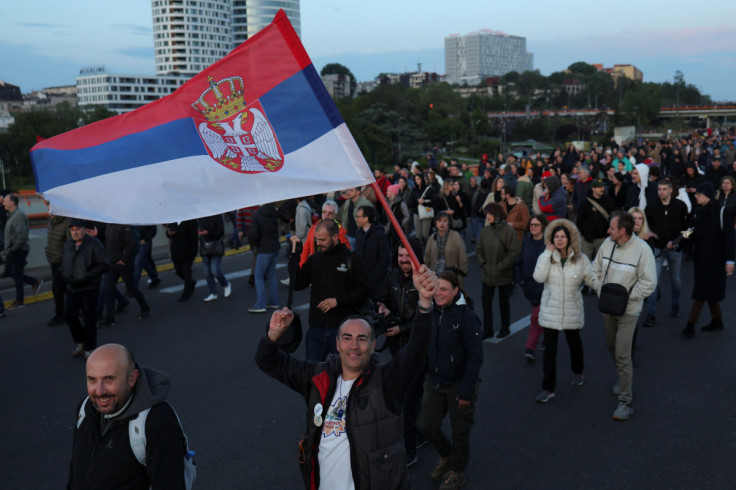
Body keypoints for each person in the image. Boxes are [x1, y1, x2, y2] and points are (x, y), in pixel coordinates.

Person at [255, 265, 438, 490]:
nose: (354, 346)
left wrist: (425, 303)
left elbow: (416, 351)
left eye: (362, 339)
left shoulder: (387, 381)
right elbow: (268, 362)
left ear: (372, 347)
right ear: (338, 344)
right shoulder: (317, 376)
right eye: (347, 338)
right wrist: (273, 334)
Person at [68, 344, 188, 489]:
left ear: (132, 378)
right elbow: (76, 469)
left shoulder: (158, 422)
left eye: (109, 379)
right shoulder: (85, 409)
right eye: (92, 379)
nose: (99, 391)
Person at [586, 211, 656, 420]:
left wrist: (626, 298)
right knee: (611, 346)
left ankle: (625, 402)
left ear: (623, 231)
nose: (608, 231)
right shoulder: (607, 244)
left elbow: (649, 283)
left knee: (623, 354)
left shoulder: (642, 250)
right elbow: (593, 270)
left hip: (629, 310)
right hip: (607, 307)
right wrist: (601, 289)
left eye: (612, 228)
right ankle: (622, 378)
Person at [420, 270, 483, 490]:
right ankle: (447, 455)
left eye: (444, 289)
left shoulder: (467, 317)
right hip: (435, 381)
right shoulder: (433, 311)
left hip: (459, 385)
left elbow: (476, 357)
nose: (439, 293)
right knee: (426, 426)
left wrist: (467, 390)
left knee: (460, 432)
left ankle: (457, 472)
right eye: (437, 288)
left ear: (456, 290)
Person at [294, 219, 372, 362]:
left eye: (322, 240)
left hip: (344, 329)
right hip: (316, 329)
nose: (318, 243)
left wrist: (338, 301)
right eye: (317, 239)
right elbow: (297, 284)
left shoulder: (353, 259)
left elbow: (365, 290)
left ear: (335, 237)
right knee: (313, 376)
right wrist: (295, 255)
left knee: (346, 376)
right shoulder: (315, 259)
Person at [532, 219, 591, 403]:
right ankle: (548, 388)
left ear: (569, 238)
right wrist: (545, 255)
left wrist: (606, 284)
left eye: (563, 236)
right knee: (550, 351)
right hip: (551, 310)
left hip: (572, 309)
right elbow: (538, 277)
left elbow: (591, 279)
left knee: (574, 344)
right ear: (551, 239)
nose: (559, 240)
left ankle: (578, 371)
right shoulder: (547, 257)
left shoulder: (581, 259)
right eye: (556, 237)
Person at [680, 182, 735, 338]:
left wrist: (730, 260)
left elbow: (730, 238)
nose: (696, 196)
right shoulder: (698, 213)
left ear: (708, 196)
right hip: (701, 258)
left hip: (716, 260)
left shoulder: (723, 212)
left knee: (701, 292)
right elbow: (689, 232)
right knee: (708, 291)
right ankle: (717, 320)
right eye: (696, 194)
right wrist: (676, 242)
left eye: (699, 194)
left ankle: (690, 325)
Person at [643, 179, 689, 325]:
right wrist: (655, 240)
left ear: (670, 190)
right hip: (658, 248)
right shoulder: (651, 208)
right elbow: (647, 228)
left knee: (675, 280)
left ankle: (675, 305)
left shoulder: (680, 206)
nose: (661, 192)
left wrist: (680, 243)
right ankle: (651, 313)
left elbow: (687, 229)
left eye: (664, 189)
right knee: (653, 281)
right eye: (659, 189)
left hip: (676, 248)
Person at [61, 219, 108, 358]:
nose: (75, 232)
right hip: (72, 286)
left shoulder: (94, 244)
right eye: (72, 230)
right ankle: (81, 341)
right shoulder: (68, 244)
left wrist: (87, 276)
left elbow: (103, 265)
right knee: (69, 316)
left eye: (77, 229)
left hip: (89, 287)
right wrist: (64, 273)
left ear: (84, 230)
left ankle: (90, 347)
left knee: (89, 318)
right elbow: (64, 261)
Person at [476, 203, 520, 339]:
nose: (487, 216)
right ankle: (487, 329)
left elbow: (513, 252)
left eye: (489, 213)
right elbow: (478, 250)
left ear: (497, 215)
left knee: (503, 302)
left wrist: (500, 267)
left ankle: (505, 327)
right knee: (486, 302)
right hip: (487, 274)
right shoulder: (485, 231)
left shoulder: (509, 231)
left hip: (503, 273)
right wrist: (483, 264)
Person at [100, 224, 151, 325]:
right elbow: (108, 242)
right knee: (108, 289)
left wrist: (124, 259)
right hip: (111, 263)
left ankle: (145, 307)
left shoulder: (125, 226)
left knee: (131, 288)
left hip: (123, 264)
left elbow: (131, 244)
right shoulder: (109, 225)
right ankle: (109, 318)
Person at [515, 214, 549, 362]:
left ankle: (530, 348)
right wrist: (520, 280)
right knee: (542, 316)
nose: (533, 227)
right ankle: (547, 338)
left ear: (543, 227)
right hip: (528, 285)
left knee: (535, 317)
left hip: (544, 287)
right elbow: (519, 261)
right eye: (532, 225)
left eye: (537, 225)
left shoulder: (548, 244)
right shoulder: (527, 241)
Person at [3, 193, 42, 309]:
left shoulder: (18, 215)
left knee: (16, 274)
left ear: (12, 203)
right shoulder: (12, 215)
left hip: (18, 250)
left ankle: (20, 301)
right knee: (11, 272)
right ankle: (34, 282)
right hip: (13, 249)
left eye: (5, 201)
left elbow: (21, 236)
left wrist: (13, 249)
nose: (3, 203)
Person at [247, 203, 280, 313]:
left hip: (264, 249)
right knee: (271, 275)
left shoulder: (257, 215)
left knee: (258, 276)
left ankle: (260, 305)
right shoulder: (274, 212)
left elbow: (254, 234)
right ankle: (273, 302)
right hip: (275, 246)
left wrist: (253, 245)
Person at [299, 200, 350, 267]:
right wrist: (301, 267)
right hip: (316, 266)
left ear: (335, 215)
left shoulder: (340, 230)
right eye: (324, 212)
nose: (326, 215)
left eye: (330, 213)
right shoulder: (314, 228)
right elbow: (306, 249)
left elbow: (346, 250)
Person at [424, 212, 469, 287]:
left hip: (451, 277)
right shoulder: (432, 238)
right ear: (436, 223)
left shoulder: (456, 236)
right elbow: (427, 258)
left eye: (445, 221)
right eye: (439, 221)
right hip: (434, 277)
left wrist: (461, 274)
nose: (442, 223)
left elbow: (462, 257)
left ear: (449, 223)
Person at [576, 179, 616, 262]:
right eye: (599, 187)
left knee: (601, 263)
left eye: (603, 186)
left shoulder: (609, 202)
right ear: (593, 189)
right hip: (587, 239)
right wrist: (584, 233)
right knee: (585, 263)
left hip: (602, 238)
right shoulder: (585, 202)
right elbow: (579, 220)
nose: (602, 189)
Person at [197, 214, 232, 302]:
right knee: (207, 273)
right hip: (205, 246)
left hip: (215, 246)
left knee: (215, 270)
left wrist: (208, 232)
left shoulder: (216, 215)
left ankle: (226, 284)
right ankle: (213, 293)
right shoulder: (200, 217)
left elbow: (221, 232)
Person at [45, 214, 71, 326]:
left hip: (62, 261)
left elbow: (70, 244)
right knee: (65, 288)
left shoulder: (66, 223)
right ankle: (73, 309)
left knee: (57, 289)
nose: (49, 209)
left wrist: (67, 260)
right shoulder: (51, 221)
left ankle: (60, 314)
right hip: (53, 260)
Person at [164, 220, 198, 302]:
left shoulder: (191, 221)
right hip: (176, 251)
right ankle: (191, 282)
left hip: (187, 251)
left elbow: (194, 238)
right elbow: (169, 232)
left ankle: (186, 293)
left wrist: (193, 254)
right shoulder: (174, 221)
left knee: (186, 272)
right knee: (178, 271)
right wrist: (169, 234)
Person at [133, 225, 161, 291]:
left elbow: (153, 228)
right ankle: (154, 278)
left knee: (138, 264)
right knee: (143, 262)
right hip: (135, 241)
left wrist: (146, 239)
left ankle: (133, 288)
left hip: (143, 241)